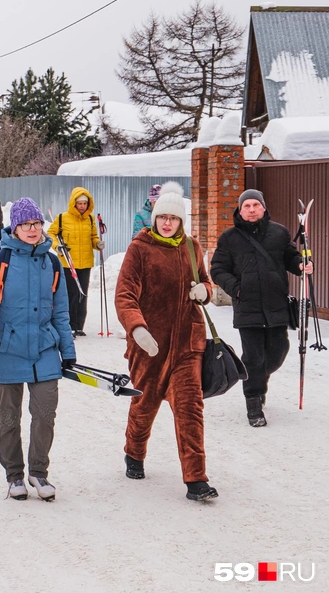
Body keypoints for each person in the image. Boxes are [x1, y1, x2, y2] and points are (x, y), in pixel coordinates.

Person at [115, 182, 218, 502]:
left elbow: (206, 281)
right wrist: (137, 328)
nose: (168, 222)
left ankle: (196, 478)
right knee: (144, 406)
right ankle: (134, 452)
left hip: (188, 344)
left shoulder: (192, 247)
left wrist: (205, 292)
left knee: (190, 409)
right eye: (163, 217)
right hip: (149, 346)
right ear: (155, 218)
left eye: (174, 218)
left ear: (181, 221)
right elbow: (124, 295)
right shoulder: (139, 248)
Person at [0, 197, 76, 501]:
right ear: (15, 227)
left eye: (37, 223)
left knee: (45, 414)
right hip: (5, 349)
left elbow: (61, 313)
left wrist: (67, 352)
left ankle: (38, 473)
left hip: (43, 349)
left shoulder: (52, 262)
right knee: (9, 418)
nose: (32, 229)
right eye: (26, 224)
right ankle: (14, 475)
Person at [210, 189, 313, 428]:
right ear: (240, 209)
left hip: (276, 304)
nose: (252, 209)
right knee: (254, 356)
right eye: (247, 206)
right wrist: (237, 288)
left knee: (278, 352)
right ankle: (253, 401)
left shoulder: (279, 233)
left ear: (264, 208)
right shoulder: (229, 238)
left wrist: (301, 265)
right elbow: (218, 269)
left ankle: (256, 378)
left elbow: (291, 257)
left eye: (256, 205)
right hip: (247, 307)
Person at [47, 187, 102, 337]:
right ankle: (69, 325)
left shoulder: (90, 219)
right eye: (80, 203)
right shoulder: (62, 218)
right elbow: (50, 234)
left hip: (85, 263)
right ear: (74, 203)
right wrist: (57, 247)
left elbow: (93, 238)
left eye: (85, 203)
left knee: (82, 294)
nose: (82, 206)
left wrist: (98, 244)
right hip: (67, 263)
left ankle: (79, 325)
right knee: (70, 294)